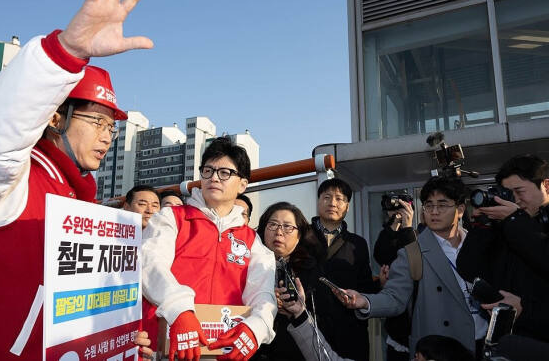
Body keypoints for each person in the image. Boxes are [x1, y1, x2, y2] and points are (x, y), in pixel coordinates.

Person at [0, 0, 152, 360]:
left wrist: (118, 338)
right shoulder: (9, 183)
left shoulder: (82, 202)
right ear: (55, 117)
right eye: (96, 120)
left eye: (111, 127)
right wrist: (66, 53)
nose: (105, 136)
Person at [141, 137, 276, 361]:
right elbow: (149, 264)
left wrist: (256, 328)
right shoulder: (172, 218)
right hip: (170, 347)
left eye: (225, 173)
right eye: (208, 170)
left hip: (224, 352)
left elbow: (263, 294)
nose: (214, 177)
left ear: (243, 184)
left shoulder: (251, 240)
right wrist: (180, 311)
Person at [456, 154, 549, 357]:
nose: (515, 200)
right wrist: (482, 226)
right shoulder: (507, 226)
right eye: (508, 193)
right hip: (514, 343)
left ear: (546, 186)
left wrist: (514, 218)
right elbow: (469, 268)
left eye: (519, 191)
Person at [334, 176, 488, 357]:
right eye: (429, 205)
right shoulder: (412, 252)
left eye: (443, 205)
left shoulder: (480, 244)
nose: (434, 212)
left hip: (482, 345)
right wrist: (365, 301)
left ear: (460, 209)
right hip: (439, 350)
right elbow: (394, 298)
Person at [309, 178, 383, 361]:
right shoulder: (299, 237)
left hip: (348, 331)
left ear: (347, 206)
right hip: (309, 327)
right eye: (327, 197)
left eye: (339, 198)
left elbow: (364, 286)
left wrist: (381, 283)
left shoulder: (357, 243)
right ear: (318, 202)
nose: (332, 203)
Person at [253, 201, 323, 361]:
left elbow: (324, 321)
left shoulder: (312, 271)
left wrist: (297, 309)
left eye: (287, 227)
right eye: (273, 224)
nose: (279, 232)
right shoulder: (248, 264)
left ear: (300, 235)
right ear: (263, 229)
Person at [372, 198, 417, 361]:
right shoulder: (391, 234)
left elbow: (414, 263)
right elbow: (381, 255)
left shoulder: (419, 234)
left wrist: (408, 226)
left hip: (420, 326)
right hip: (398, 328)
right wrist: (394, 223)